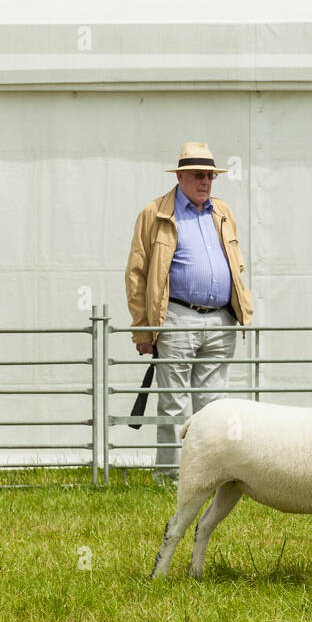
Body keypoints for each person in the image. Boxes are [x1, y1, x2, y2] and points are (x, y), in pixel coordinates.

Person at [125, 141, 254, 481]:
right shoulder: (155, 213)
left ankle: (211, 474)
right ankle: (170, 476)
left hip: (220, 317)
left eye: (210, 176)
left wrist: (239, 307)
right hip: (176, 317)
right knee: (174, 402)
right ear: (180, 176)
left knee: (214, 405)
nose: (205, 182)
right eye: (198, 175)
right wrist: (143, 329)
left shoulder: (222, 212)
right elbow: (137, 274)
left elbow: (236, 264)